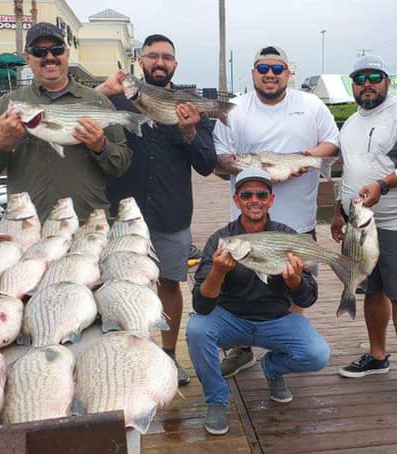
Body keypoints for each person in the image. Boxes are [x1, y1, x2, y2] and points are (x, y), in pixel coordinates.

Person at [96, 34, 217, 387]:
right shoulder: (116, 98)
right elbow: (79, 120)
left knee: (169, 283)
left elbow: (208, 165)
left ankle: (167, 356)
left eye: (167, 57)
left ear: (175, 65)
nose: (160, 62)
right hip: (122, 214)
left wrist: (190, 131)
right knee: (120, 285)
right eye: (153, 56)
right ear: (140, 61)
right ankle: (128, 357)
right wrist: (103, 91)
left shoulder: (189, 105)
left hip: (171, 213)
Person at [212, 45, 340, 377]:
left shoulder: (310, 105)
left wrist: (304, 156)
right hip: (246, 225)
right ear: (253, 72)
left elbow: (333, 143)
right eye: (263, 68)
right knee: (238, 285)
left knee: (297, 287)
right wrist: (242, 166)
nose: (270, 75)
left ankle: (284, 355)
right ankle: (241, 350)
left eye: (277, 69)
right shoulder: (235, 108)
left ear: (288, 73)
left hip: (299, 224)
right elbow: (219, 158)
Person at [186, 167, 330, 435]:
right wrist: (218, 272)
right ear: (237, 200)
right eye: (247, 194)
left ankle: (272, 368)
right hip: (231, 319)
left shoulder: (288, 235)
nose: (255, 199)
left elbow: (309, 298)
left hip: (277, 320)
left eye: (262, 194)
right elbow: (201, 306)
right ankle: (217, 400)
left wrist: (295, 281)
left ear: (271, 200)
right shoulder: (221, 240)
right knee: (196, 329)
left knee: (318, 354)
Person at [333, 55, 397, 405]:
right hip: (359, 223)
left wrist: (383, 185)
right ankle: (377, 356)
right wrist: (339, 212)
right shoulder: (350, 123)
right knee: (372, 292)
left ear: (387, 81)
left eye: (374, 77)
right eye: (360, 79)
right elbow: (350, 172)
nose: (367, 84)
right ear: (353, 85)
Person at [0, 22, 132, 220]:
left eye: (56, 49)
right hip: (28, 224)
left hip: (88, 223)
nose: (49, 57)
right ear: (27, 57)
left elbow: (122, 164)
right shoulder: (6, 106)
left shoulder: (98, 101)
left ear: (66, 53)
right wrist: (3, 141)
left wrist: (100, 145)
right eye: (39, 51)